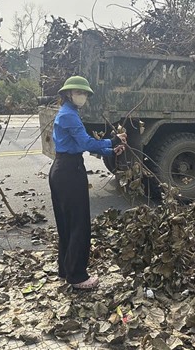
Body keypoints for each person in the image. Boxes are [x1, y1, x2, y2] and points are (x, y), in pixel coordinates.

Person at [49, 76, 126, 290]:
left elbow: (81, 144)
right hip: (70, 172)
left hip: (62, 169)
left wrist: (110, 150)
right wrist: (114, 140)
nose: (82, 97)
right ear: (68, 94)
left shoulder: (68, 113)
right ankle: (77, 276)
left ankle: (65, 270)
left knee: (66, 223)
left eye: (84, 93)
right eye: (78, 93)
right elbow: (85, 143)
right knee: (78, 224)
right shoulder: (69, 116)